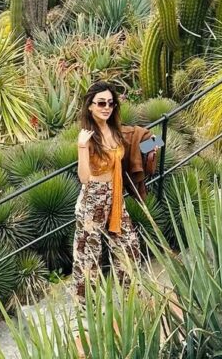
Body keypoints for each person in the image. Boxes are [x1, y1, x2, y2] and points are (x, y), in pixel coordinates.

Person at [72, 80, 141, 302]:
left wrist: (153, 147)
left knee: (129, 245)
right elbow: (83, 177)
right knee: (88, 257)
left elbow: (136, 149)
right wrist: (82, 146)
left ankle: (130, 298)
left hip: (115, 197)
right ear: (90, 106)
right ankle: (86, 308)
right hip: (93, 200)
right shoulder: (87, 136)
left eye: (110, 103)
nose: (106, 107)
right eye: (101, 103)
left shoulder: (115, 129)